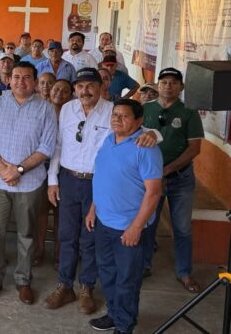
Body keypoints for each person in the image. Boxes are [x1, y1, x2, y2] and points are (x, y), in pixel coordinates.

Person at [43, 68, 159, 315]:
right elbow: (58, 145)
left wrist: (153, 134)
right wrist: (52, 180)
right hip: (68, 179)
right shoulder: (67, 109)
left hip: (97, 183)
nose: (84, 91)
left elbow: (142, 131)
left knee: (90, 238)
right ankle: (64, 285)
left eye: (90, 86)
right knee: (66, 235)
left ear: (101, 87)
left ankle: (86, 287)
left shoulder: (113, 111)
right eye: (80, 86)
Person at [0, 62, 57, 304]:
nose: (20, 82)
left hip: (30, 182)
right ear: (9, 80)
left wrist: (19, 170)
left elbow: (46, 147)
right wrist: (4, 169)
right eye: (16, 77)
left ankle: (23, 280)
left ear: (34, 82)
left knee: (26, 233)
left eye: (26, 77)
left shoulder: (46, 109)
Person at [86, 99, 163, 334]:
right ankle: (114, 314)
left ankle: (124, 325)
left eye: (124, 116)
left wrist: (136, 227)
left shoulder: (146, 148)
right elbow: (103, 176)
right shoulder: (109, 140)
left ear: (139, 121)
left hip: (128, 227)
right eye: (115, 114)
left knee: (127, 279)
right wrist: (93, 208)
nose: (117, 119)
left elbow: (154, 193)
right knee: (107, 273)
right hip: (103, 222)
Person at [142, 67, 204, 293]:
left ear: (181, 87)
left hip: (181, 178)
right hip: (150, 179)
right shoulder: (145, 109)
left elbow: (194, 148)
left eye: (174, 82)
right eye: (164, 82)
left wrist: (167, 169)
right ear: (158, 85)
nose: (168, 86)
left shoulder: (189, 112)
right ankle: (144, 265)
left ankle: (184, 272)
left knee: (182, 227)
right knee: (148, 223)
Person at [34, 79, 74, 267]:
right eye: (56, 89)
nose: (60, 93)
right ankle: (39, 249)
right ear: (50, 91)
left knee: (61, 213)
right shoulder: (41, 110)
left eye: (65, 91)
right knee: (41, 211)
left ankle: (59, 252)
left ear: (71, 95)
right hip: (40, 166)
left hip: (64, 169)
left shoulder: (73, 114)